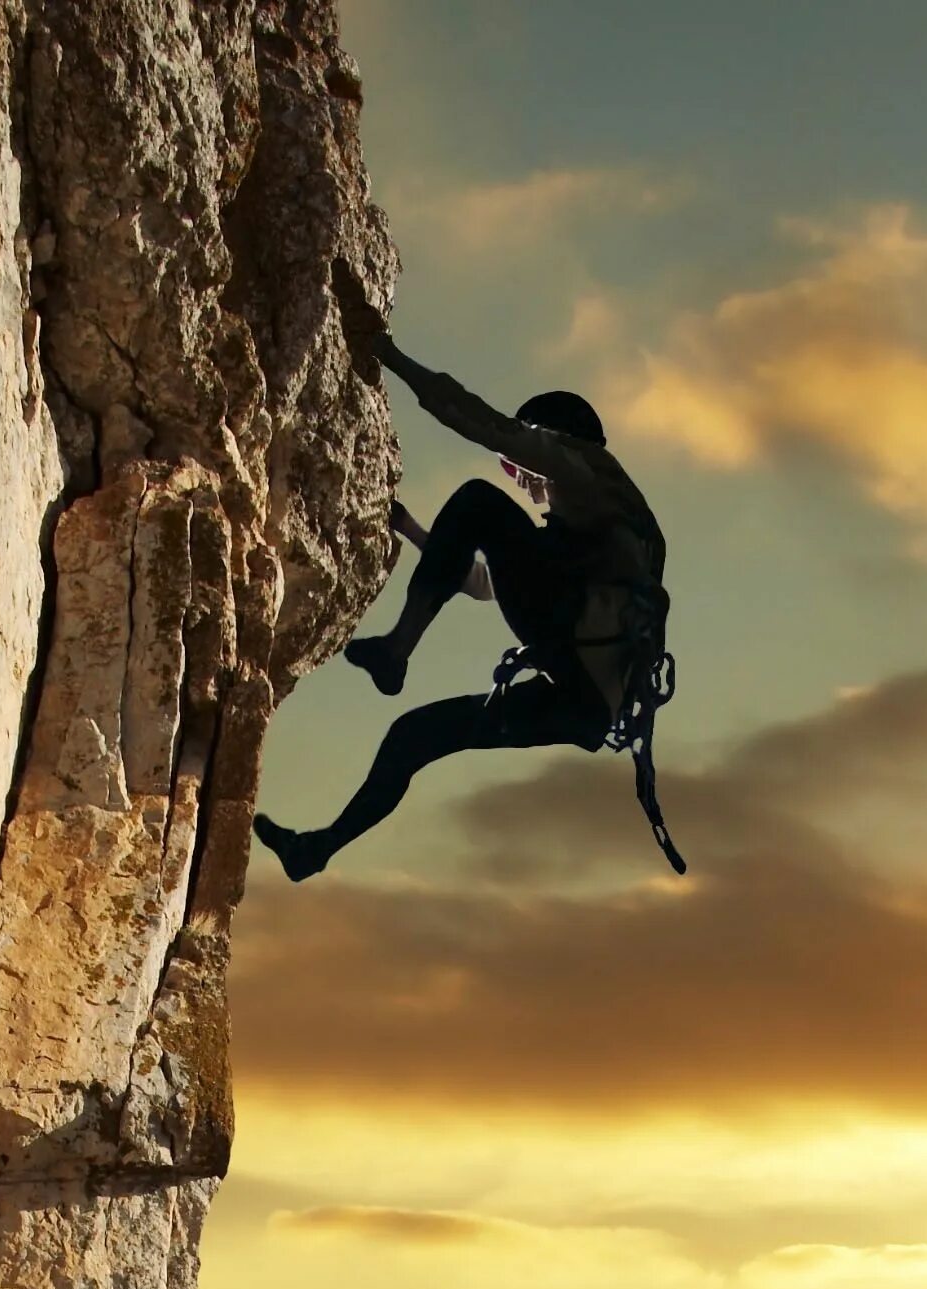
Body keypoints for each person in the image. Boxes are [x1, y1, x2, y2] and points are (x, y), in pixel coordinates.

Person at [253, 265, 681, 881]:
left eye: (524, 461)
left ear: (552, 442)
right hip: (582, 704)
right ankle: (315, 849)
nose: (521, 477)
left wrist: (383, 352)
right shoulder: (608, 531)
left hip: (570, 661)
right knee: (413, 735)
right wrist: (411, 531)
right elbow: (484, 584)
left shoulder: (586, 474)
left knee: (478, 502)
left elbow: (477, 421)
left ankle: (398, 650)